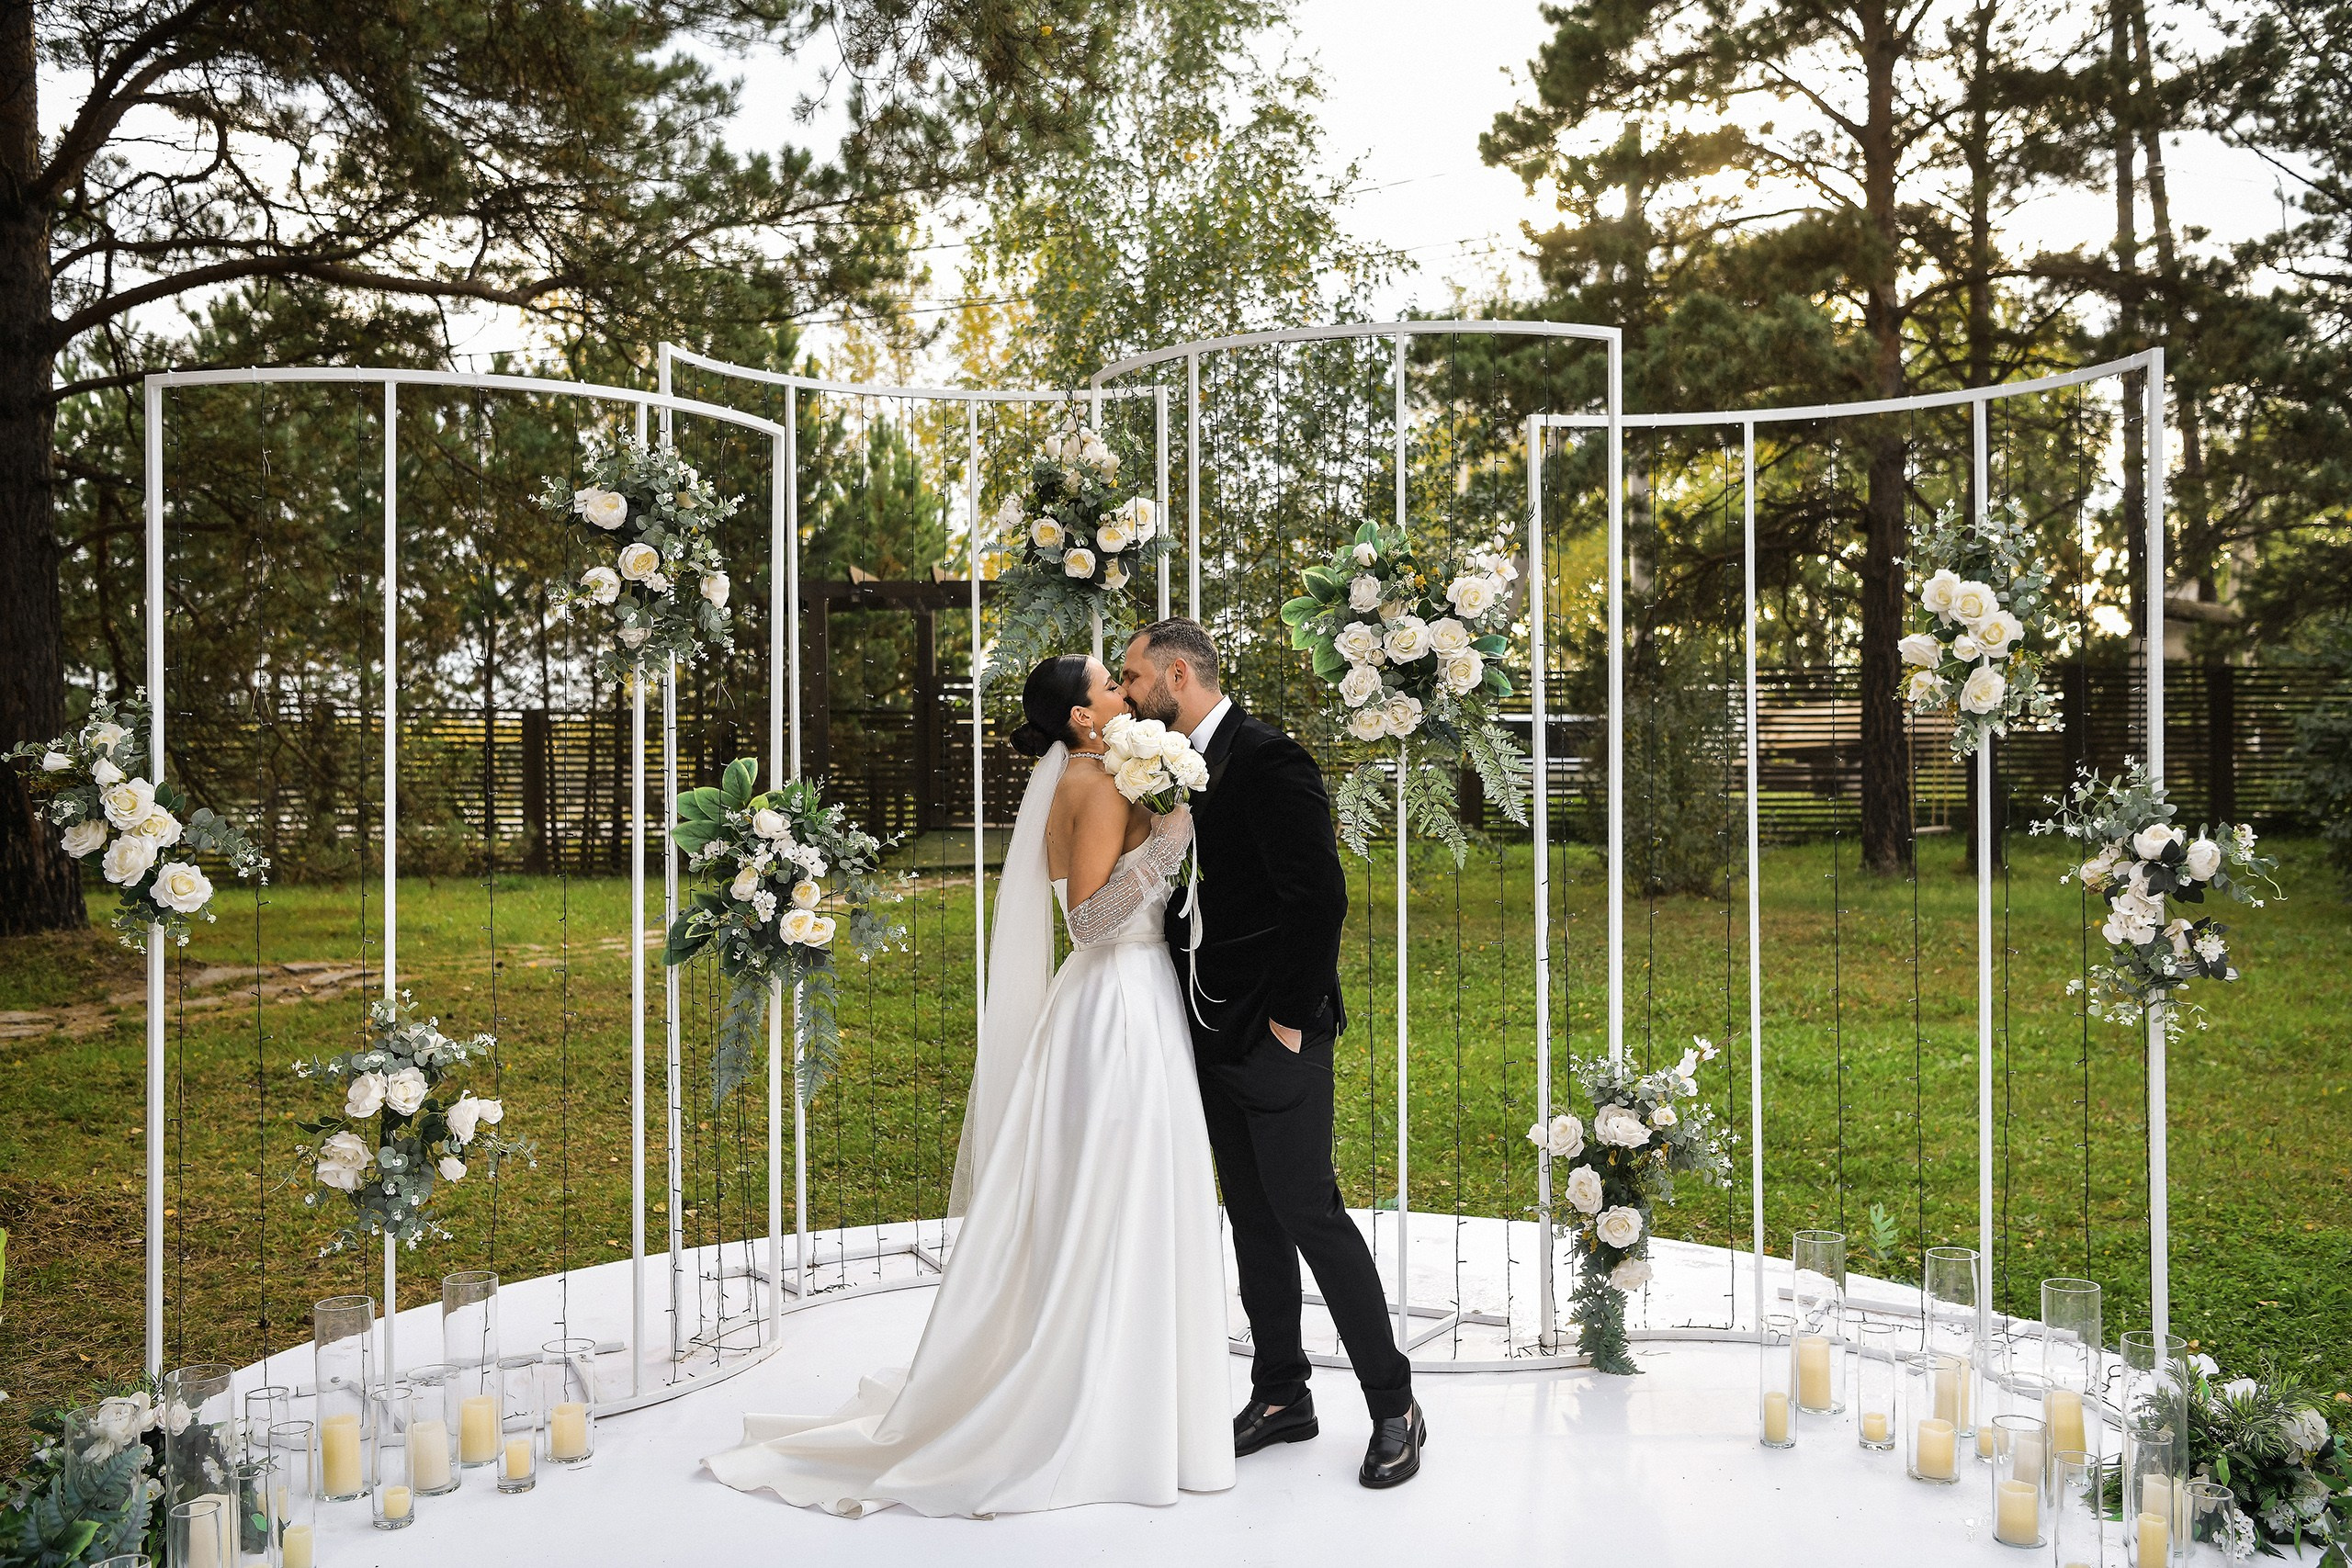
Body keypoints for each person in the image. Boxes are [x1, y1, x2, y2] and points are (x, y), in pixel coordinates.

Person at [702, 653, 1233, 1517]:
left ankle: (1140, 1396)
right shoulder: (1096, 785)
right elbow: (1092, 920)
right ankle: (1112, 1410)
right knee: (1120, 1195)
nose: (1123, 692)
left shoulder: (1094, 774)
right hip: (1119, 1002)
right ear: (1081, 717)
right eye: (1108, 685)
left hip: (1126, 1001)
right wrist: (1168, 844)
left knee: (1117, 1197)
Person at [1121, 616, 1425, 1489]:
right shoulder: (1165, 770)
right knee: (1251, 1218)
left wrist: (1292, 1018)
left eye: (1138, 678)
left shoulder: (1271, 758)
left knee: (1308, 1212)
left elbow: (1318, 897)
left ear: (1178, 676)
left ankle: (1395, 1403)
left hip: (1276, 1032)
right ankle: (1282, 1392)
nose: (1131, 694)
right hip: (1209, 1028)